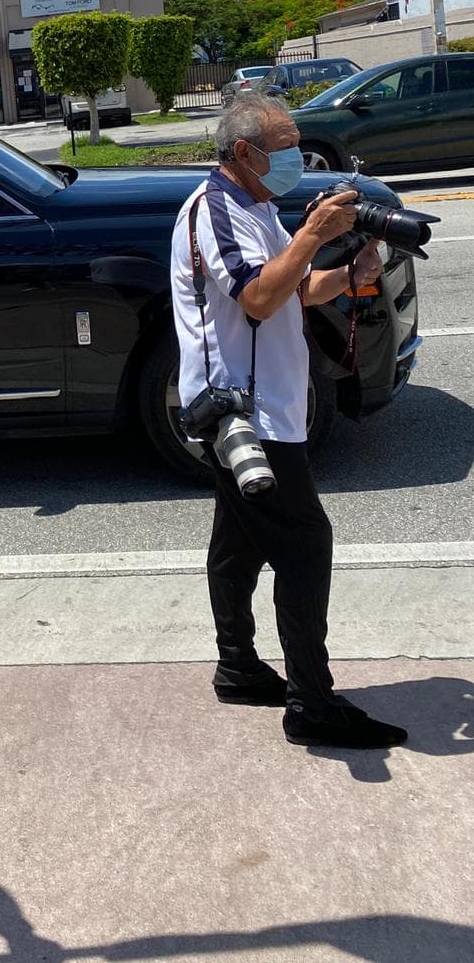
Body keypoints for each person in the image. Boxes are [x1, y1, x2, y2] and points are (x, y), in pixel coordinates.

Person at [171, 93, 408, 750]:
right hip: (244, 416)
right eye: (284, 148)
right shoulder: (215, 210)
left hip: (262, 406)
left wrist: (345, 271)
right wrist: (313, 234)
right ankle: (311, 703)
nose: (296, 159)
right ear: (244, 152)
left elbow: (294, 288)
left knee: (239, 541)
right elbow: (255, 296)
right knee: (306, 543)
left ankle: (237, 667)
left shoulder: (253, 207)